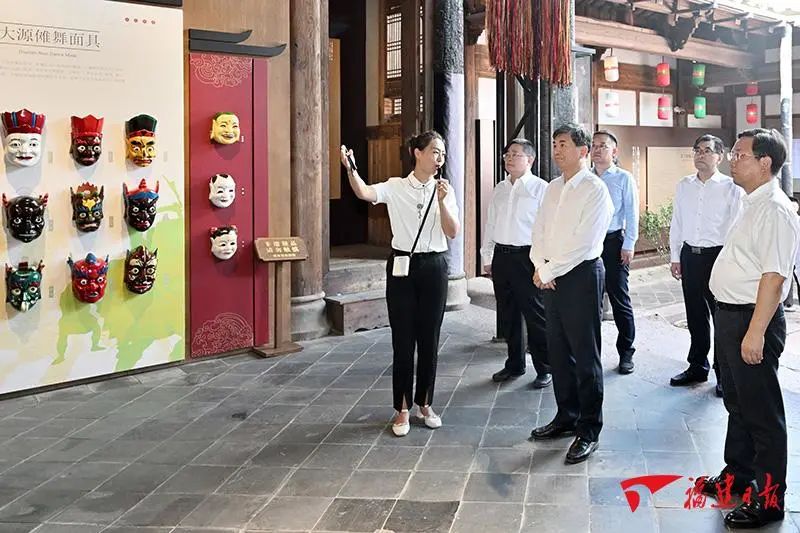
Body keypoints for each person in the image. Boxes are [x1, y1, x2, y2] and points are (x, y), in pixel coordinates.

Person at [698, 128, 799, 529]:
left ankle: (770, 500)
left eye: (740, 155)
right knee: (737, 403)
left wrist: (755, 332)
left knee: (763, 414)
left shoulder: (774, 209)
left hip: (751, 319)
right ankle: (738, 475)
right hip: (730, 315)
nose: (732, 161)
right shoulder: (750, 202)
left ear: (765, 163)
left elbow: (774, 278)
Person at [340, 132, 459, 437]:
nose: (440, 158)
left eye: (443, 153)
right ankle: (402, 408)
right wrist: (351, 168)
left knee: (430, 338)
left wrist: (443, 202)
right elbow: (365, 192)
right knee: (403, 340)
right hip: (402, 266)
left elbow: (452, 232)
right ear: (417, 153)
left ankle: (425, 404)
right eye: (435, 151)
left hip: (434, 266)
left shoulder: (445, 190)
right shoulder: (395, 186)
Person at [529, 123, 613, 464]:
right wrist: (540, 265)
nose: (556, 149)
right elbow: (539, 230)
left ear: (583, 151)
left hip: (580, 276)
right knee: (559, 351)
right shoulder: (552, 187)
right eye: (554, 143)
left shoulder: (595, 190)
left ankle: (589, 429)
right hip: (549, 276)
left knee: (585, 354)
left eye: (563, 143)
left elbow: (585, 242)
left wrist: (548, 270)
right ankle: (566, 416)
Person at [668, 134, 743, 397]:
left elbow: (735, 228)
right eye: (697, 150)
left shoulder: (732, 188)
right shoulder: (684, 185)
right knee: (695, 315)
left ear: (719, 156)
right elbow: (677, 221)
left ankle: (724, 374)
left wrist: (730, 263)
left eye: (707, 150)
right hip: (690, 255)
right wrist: (675, 256)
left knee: (721, 317)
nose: (701, 154)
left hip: (718, 257)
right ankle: (697, 367)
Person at [480, 138, 551, 388]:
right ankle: (514, 364)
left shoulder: (541, 188)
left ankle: (545, 367)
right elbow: (491, 223)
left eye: (516, 154)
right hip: (502, 256)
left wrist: (544, 263)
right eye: (507, 154)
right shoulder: (500, 188)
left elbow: (547, 228)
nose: (509, 158)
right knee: (508, 313)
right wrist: (487, 256)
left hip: (528, 257)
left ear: (530, 159)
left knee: (536, 314)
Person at [591, 130, 639, 374]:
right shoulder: (585, 177)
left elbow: (631, 212)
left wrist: (629, 243)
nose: (597, 149)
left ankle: (626, 352)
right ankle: (592, 354)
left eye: (603, 145)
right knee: (590, 302)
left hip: (613, 243)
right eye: (594, 145)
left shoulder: (623, 178)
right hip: (589, 244)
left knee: (620, 299)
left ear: (614, 151)